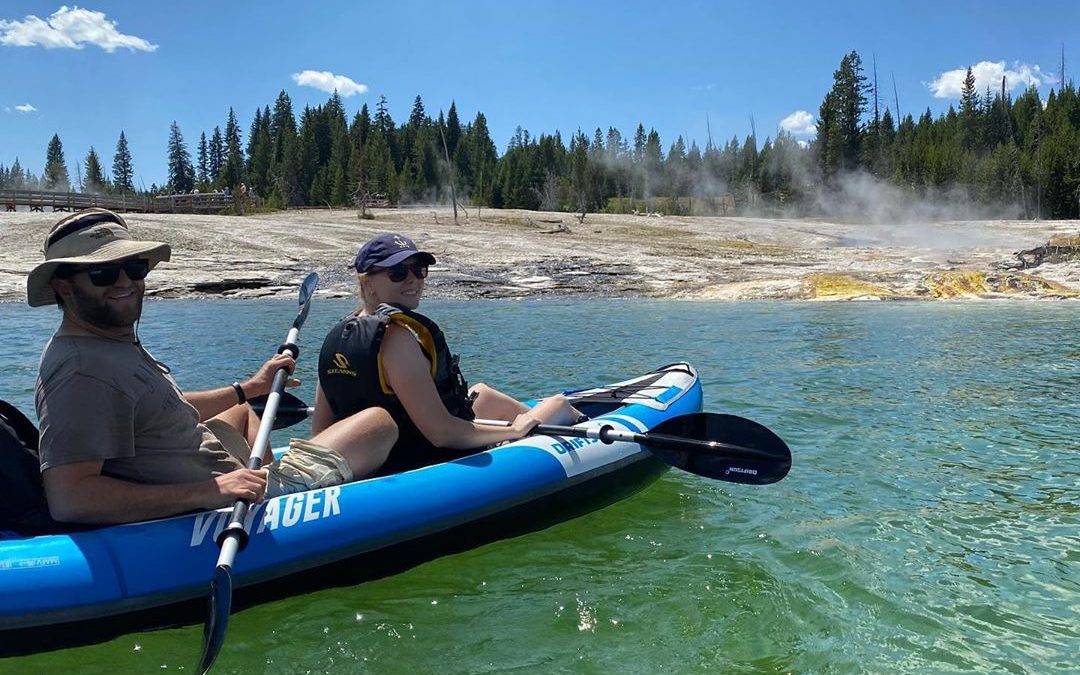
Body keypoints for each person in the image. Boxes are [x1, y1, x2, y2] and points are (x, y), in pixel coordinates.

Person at [27, 208, 397, 526]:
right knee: (378, 423)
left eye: (134, 267)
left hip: (213, 473)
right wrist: (209, 490)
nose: (125, 282)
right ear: (64, 286)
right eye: (103, 273)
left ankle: (269, 488)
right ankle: (277, 498)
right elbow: (70, 497)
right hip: (212, 495)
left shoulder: (104, 342)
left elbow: (158, 410)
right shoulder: (80, 371)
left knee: (243, 411)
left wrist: (248, 388)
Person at [314, 232, 581, 476]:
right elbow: (441, 433)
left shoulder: (337, 337)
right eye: (397, 272)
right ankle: (565, 427)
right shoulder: (395, 339)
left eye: (419, 270)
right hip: (421, 460)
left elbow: (321, 431)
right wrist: (513, 431)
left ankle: (544, 427)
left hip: (393, 451)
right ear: (368, 283)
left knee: (483, 394)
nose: (413, 280)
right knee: (558, 403)